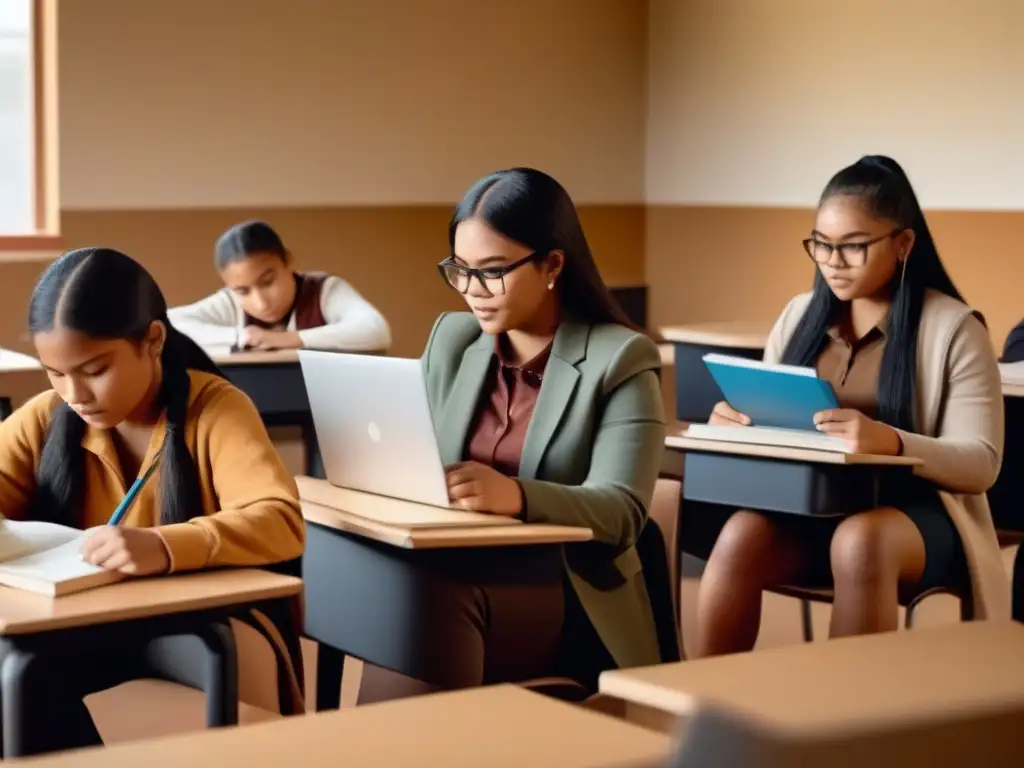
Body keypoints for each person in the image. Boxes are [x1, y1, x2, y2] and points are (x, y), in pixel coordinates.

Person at [357, 167, 667, 703]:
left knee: (427, 599)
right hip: (454, 563)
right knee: (393, 589)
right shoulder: (453, 339)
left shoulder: (622, 359)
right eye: (460, 270)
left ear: (552, 264)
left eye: (493, 271)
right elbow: (418, 457)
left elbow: (623, 514)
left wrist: (518, 496)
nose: (472, 292)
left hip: (568, 592)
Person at [690, 156, 1008, 657]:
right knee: (739, 535)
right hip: (812, 509)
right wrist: (733, 426)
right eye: (821, 244)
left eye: (854, 246)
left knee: (862, 541)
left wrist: (895, 440)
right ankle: (701, 711)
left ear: (903, 245)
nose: (832, 261)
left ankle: (845, 721)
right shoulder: (799, 316)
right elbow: (773, 433)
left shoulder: (954, 328)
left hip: (920, 519)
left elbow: (982, 462)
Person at [0, 247, 306, 754]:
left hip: (201, 620)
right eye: (54, 373)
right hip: (77, 622)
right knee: (18, 680)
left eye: (95, 369)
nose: (73, 392)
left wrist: (165, 545)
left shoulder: (217, 410)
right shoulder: (46, 416)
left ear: (153, 340)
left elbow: (279, 520)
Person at [168, 220, 391, 352]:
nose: (261, 303)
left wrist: (289, 339)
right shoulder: (230, 303)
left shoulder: (325, 291)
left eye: (268, 281)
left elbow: (376, 330)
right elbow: (169, 323)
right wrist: (242, 337)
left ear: (288, 261)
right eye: (243, 291)